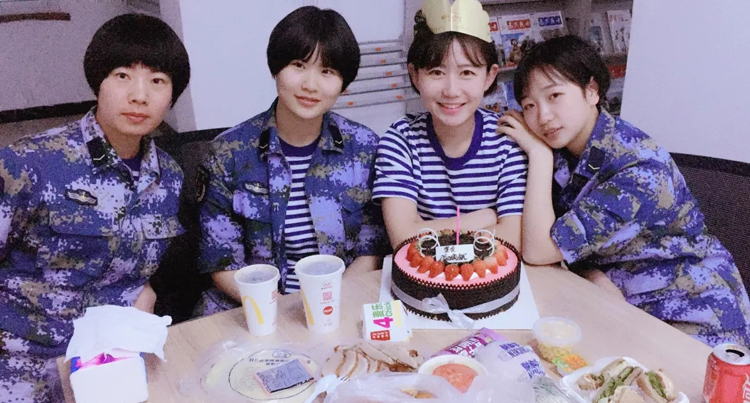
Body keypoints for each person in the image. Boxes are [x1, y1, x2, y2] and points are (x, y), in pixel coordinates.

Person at [500, 35, 750, 346]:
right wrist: (591, 273)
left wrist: (539, 155)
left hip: (694, 315)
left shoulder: (638, 168)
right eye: (529, 105)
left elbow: (539, 250)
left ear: (592, 91)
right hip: (617, 301)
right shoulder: (567, 149)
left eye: (555, 96)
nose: (543, 116)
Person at [0, 13, 191, 402]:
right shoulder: (30, 164)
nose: (139, 95)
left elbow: (141, 270)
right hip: (26, 365)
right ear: (97, 82)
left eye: (157, 81)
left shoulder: (168, 177)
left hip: (114, 359)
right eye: (122, 76)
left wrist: (145, 291)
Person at [195, 6, 388, 316]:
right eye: (298, 65)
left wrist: (326, 305)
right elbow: (222, 262)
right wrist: (284, 312)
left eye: (327, 71)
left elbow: (371, 250)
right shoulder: (228, 153)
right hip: (252, 309)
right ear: (276, 68)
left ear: (344, 83)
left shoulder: (364, 148)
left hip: (340, 303)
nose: (310, 84)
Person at [373, 1, 527, 250]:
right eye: (436, 72)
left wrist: (422, 229)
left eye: (467, 73)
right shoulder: (400, 140)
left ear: (489, 76)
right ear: (415, 75)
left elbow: (512, 240)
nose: (452, 91)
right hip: (423, 273)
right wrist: (483, 218)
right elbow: (403, 239)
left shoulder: (507, 142)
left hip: (491, 273)